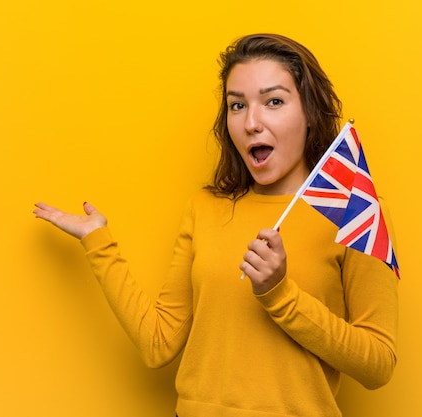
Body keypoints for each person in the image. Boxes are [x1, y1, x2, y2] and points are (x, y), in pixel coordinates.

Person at [33, 33, 398, 417]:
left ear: (309, 111)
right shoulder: (204, 209)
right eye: (237, 105)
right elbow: (158, 344)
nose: (251, 123)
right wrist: (98, 242)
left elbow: (378, 366)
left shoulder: (354, 212)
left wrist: (280, 295)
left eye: (273, 101)